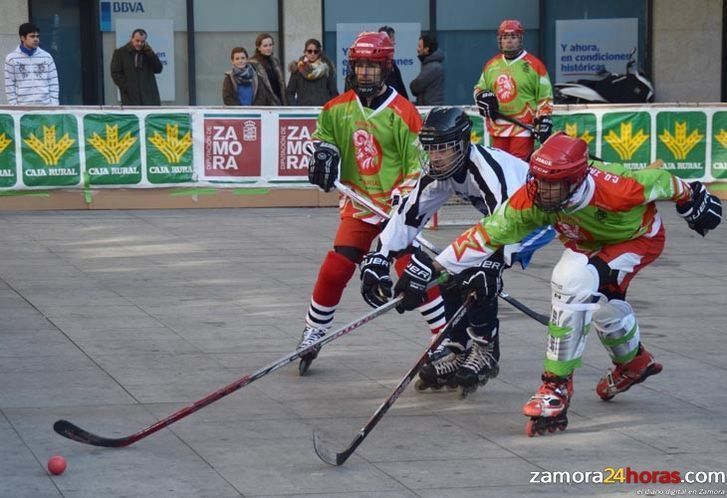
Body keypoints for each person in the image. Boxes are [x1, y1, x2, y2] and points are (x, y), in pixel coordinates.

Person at [396, 132, 721, 435]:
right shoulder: (534, 195)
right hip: (586, 245)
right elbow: (484, 235)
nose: (542, 190)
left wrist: (693, 197)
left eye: (553, 184)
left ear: (577, 180)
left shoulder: (619, 187)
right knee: (601, 308)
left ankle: (555, 388)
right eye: (537, 180)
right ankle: (632, 362)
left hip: (636, 240)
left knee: (570, 282)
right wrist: (430, 271)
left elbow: (663, 181)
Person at [359, 107, 554, 396]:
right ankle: (458, 349)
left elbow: (508, 226)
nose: (435, 157)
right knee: (452, 273)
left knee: (478, 273)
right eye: (430, 149)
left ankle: (485, 348)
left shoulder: (488, 170)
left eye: (443, 149)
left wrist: (492, 264)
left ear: (463, 144)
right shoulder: (443, 172)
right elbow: (409, 216)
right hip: (501, 223)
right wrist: (380, 257)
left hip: (535, 218)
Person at [296, 31, 446, 375]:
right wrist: (322, 155)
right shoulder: (335, 110)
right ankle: (313, 330)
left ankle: (443, 338)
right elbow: (321, 141)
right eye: (359, 65)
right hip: (360, 204)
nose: (364, 73)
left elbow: (417, 167)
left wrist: (402, 197)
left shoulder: (405, 114)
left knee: (412, 270)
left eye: (372, 66)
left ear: (386, 67)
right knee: (337, 266)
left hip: (399, 209)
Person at [473, 19, 553, 160]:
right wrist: (481, 97)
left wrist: (544, 118)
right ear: (500, 40)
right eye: (505, 37)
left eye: (513, 37)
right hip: (498, 128)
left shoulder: (535, 65)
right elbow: (479, 88)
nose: (509, 41)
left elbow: (545, 97)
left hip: (523, 129)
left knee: (518, 169)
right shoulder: (491, 65)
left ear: (520, 39)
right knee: (499, 169)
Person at [4, 22, 59, 105]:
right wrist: (15, 107)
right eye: (32, 36)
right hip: (22, 109)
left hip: (45, 107)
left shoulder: (47, 57)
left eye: (37, 36)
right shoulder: (11, 59)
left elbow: (53, 82)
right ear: (23, 38)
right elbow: (9, 85)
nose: (36, 39)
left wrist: (53, 105)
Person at [110, 28, 162, 106]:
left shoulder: (148, 53)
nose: (139, 44)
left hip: (149, 96)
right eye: (137, 41)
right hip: (130, 96)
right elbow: (115, 73)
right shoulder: (120, 53)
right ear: (132, 39)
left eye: (142, 41)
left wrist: (150, 53)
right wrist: (126, 87)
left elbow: (158, 69)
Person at [285, 39, 338, 106]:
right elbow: (289, 93)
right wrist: (296, 107)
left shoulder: (326, 69)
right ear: (305, 52)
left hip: (322, 112)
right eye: (309, 51)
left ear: (319, 53)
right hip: (303, 112)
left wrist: (328, 106)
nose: (312, 54)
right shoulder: (297, 69)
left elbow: (334, 93)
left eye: (316, 51)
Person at [248, 33, 286, 106]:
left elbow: (280, 85)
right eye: (265, 46)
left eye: (270, 45)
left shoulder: (276, 62)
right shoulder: (252, 64)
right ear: (258, 48)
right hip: (262, 106)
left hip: (278, 104)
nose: (268, 48)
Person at [409, 33, 444, 106]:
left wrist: (412, 84)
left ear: (426, 49)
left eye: (419, 46)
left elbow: (415, 87)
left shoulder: (432, 67)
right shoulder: (431, 64)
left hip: (429, 109)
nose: (417, 49)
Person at [377, 26, 408, 100]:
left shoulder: (392, 64)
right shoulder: (379, 65)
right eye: (393, 39)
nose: (394, 43)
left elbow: (400, 89)